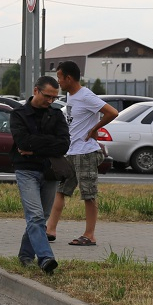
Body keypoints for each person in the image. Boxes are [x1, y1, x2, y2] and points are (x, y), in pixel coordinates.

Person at [44, 61, 119, 246]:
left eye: (60, 77)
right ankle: (49, 230)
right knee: (60, 191)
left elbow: (112, 112)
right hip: (70, 152)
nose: (58, 82)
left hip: (85, 153)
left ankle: (89, 235)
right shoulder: (71, 96)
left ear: (69, 78)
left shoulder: (86, 95)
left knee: (89, 194)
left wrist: (95, 129)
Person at [10, 75, 70, 274]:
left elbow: (63, 144)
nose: (51, 101)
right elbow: (22, 142)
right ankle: (46, 258)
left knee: (41, 218)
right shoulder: (18, 114)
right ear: (36, 91)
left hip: (50, 171)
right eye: (48, 96)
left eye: (54, 97)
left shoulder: (56, 115)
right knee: (35, 216)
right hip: (26, 171)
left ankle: (25, 256)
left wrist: (35, 147)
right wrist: (47, 143)